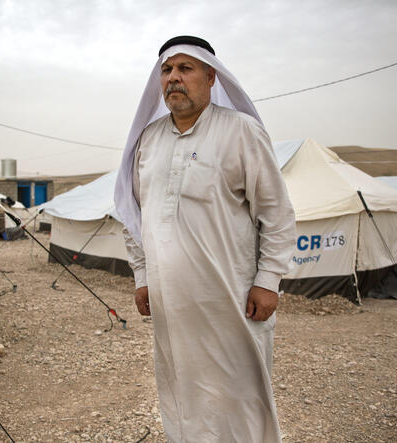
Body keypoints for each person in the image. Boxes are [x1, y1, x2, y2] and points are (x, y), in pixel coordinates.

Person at [114, 36, 296, 442]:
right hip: (170, 303)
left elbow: (277, 213)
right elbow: (134, 216)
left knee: (240, 397)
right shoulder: (149, 141)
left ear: (211, 76)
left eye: (185, 68)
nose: (174, 78)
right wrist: (142, 275)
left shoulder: (241, 132)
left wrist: (268, 280)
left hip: (230, 299)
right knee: (183, 393)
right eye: (166, 70)